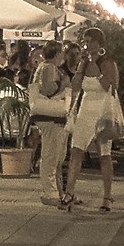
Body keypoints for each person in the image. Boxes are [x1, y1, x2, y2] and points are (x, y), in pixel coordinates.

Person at [64, 31, 122, 211]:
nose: (87, 45)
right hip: (85, 110)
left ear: (99, 44)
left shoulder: (108, 63)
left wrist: (98, 74)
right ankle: (69, 193)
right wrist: (81, 67)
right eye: (85, 42)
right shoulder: (85, 62)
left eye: (90, 42)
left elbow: (111, 87)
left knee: (104, 155)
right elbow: (75, 86)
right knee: (76, 151)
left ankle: (107, 197)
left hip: (102, 110)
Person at [29, 42, 75, 206]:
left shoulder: (46, 67)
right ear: (56, 54)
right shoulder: (48, 68)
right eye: (62, 53)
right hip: (51, 118)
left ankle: (58, 192)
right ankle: (50, 193)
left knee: (55, 156)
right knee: (51, 156)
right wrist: (64, 83)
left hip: (51, 118)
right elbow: (48, 90)